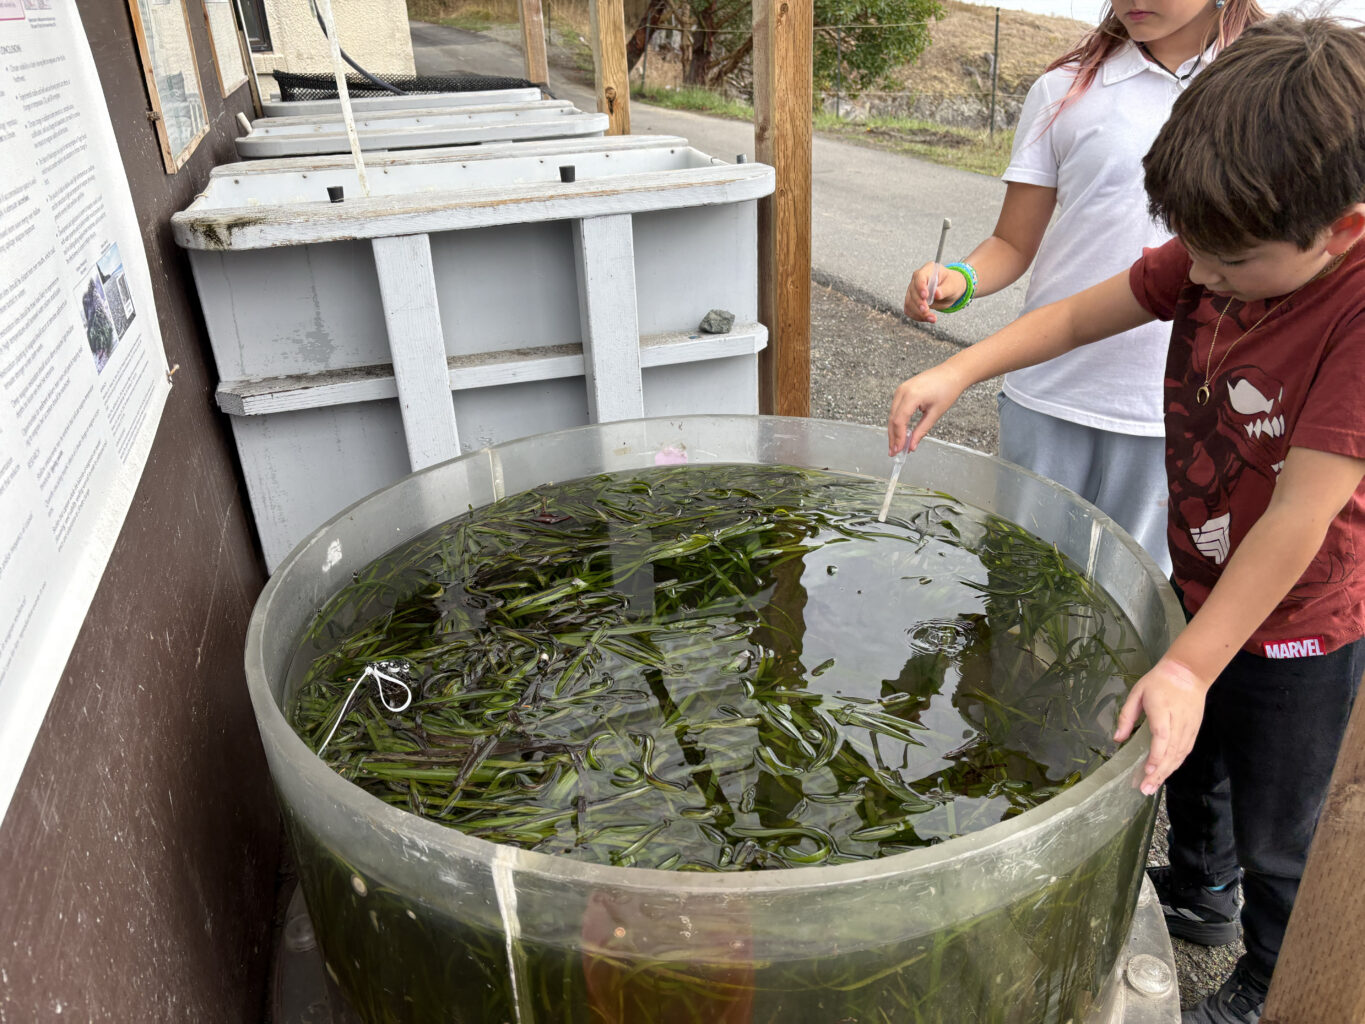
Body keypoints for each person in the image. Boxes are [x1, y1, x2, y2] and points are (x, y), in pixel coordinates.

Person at [888, 16, 1365, 1024]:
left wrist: (1193, 661)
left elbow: (1299, 517)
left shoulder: (1356, 313)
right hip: (1202, 569)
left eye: (1230, 266)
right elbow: (1079, 311)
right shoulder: (1217, 248)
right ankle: (1198, 893)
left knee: (1284, 819)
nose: (1202, 279)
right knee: (1185, 753)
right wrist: (960, 366)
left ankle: (1267, 974)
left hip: (1302, 618)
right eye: (1197, 254)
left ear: (1342, 231)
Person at [903, 0, 1264, 576]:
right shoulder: (1064, 88)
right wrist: (960, 279)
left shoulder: (1268, 85)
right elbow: (1013, 244)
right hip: (1048, 391)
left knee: (1133, 598)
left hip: (1176, 407)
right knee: (1024, 582)